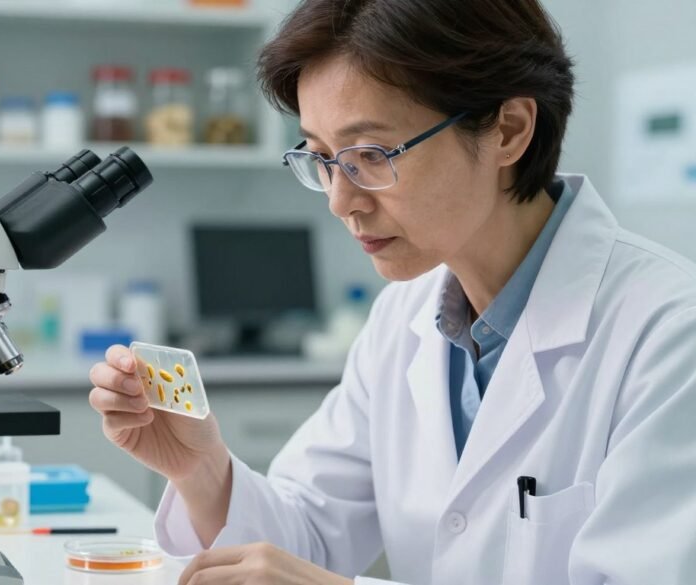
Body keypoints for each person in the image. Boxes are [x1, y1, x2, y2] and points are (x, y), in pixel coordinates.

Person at [88, 1, 696, 583]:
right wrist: (201, 470)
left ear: (508, 130)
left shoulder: (668, 334)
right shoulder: (406, 315)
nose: (339, 199)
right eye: (322, 157)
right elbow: (307, 538)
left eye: (372, 154)